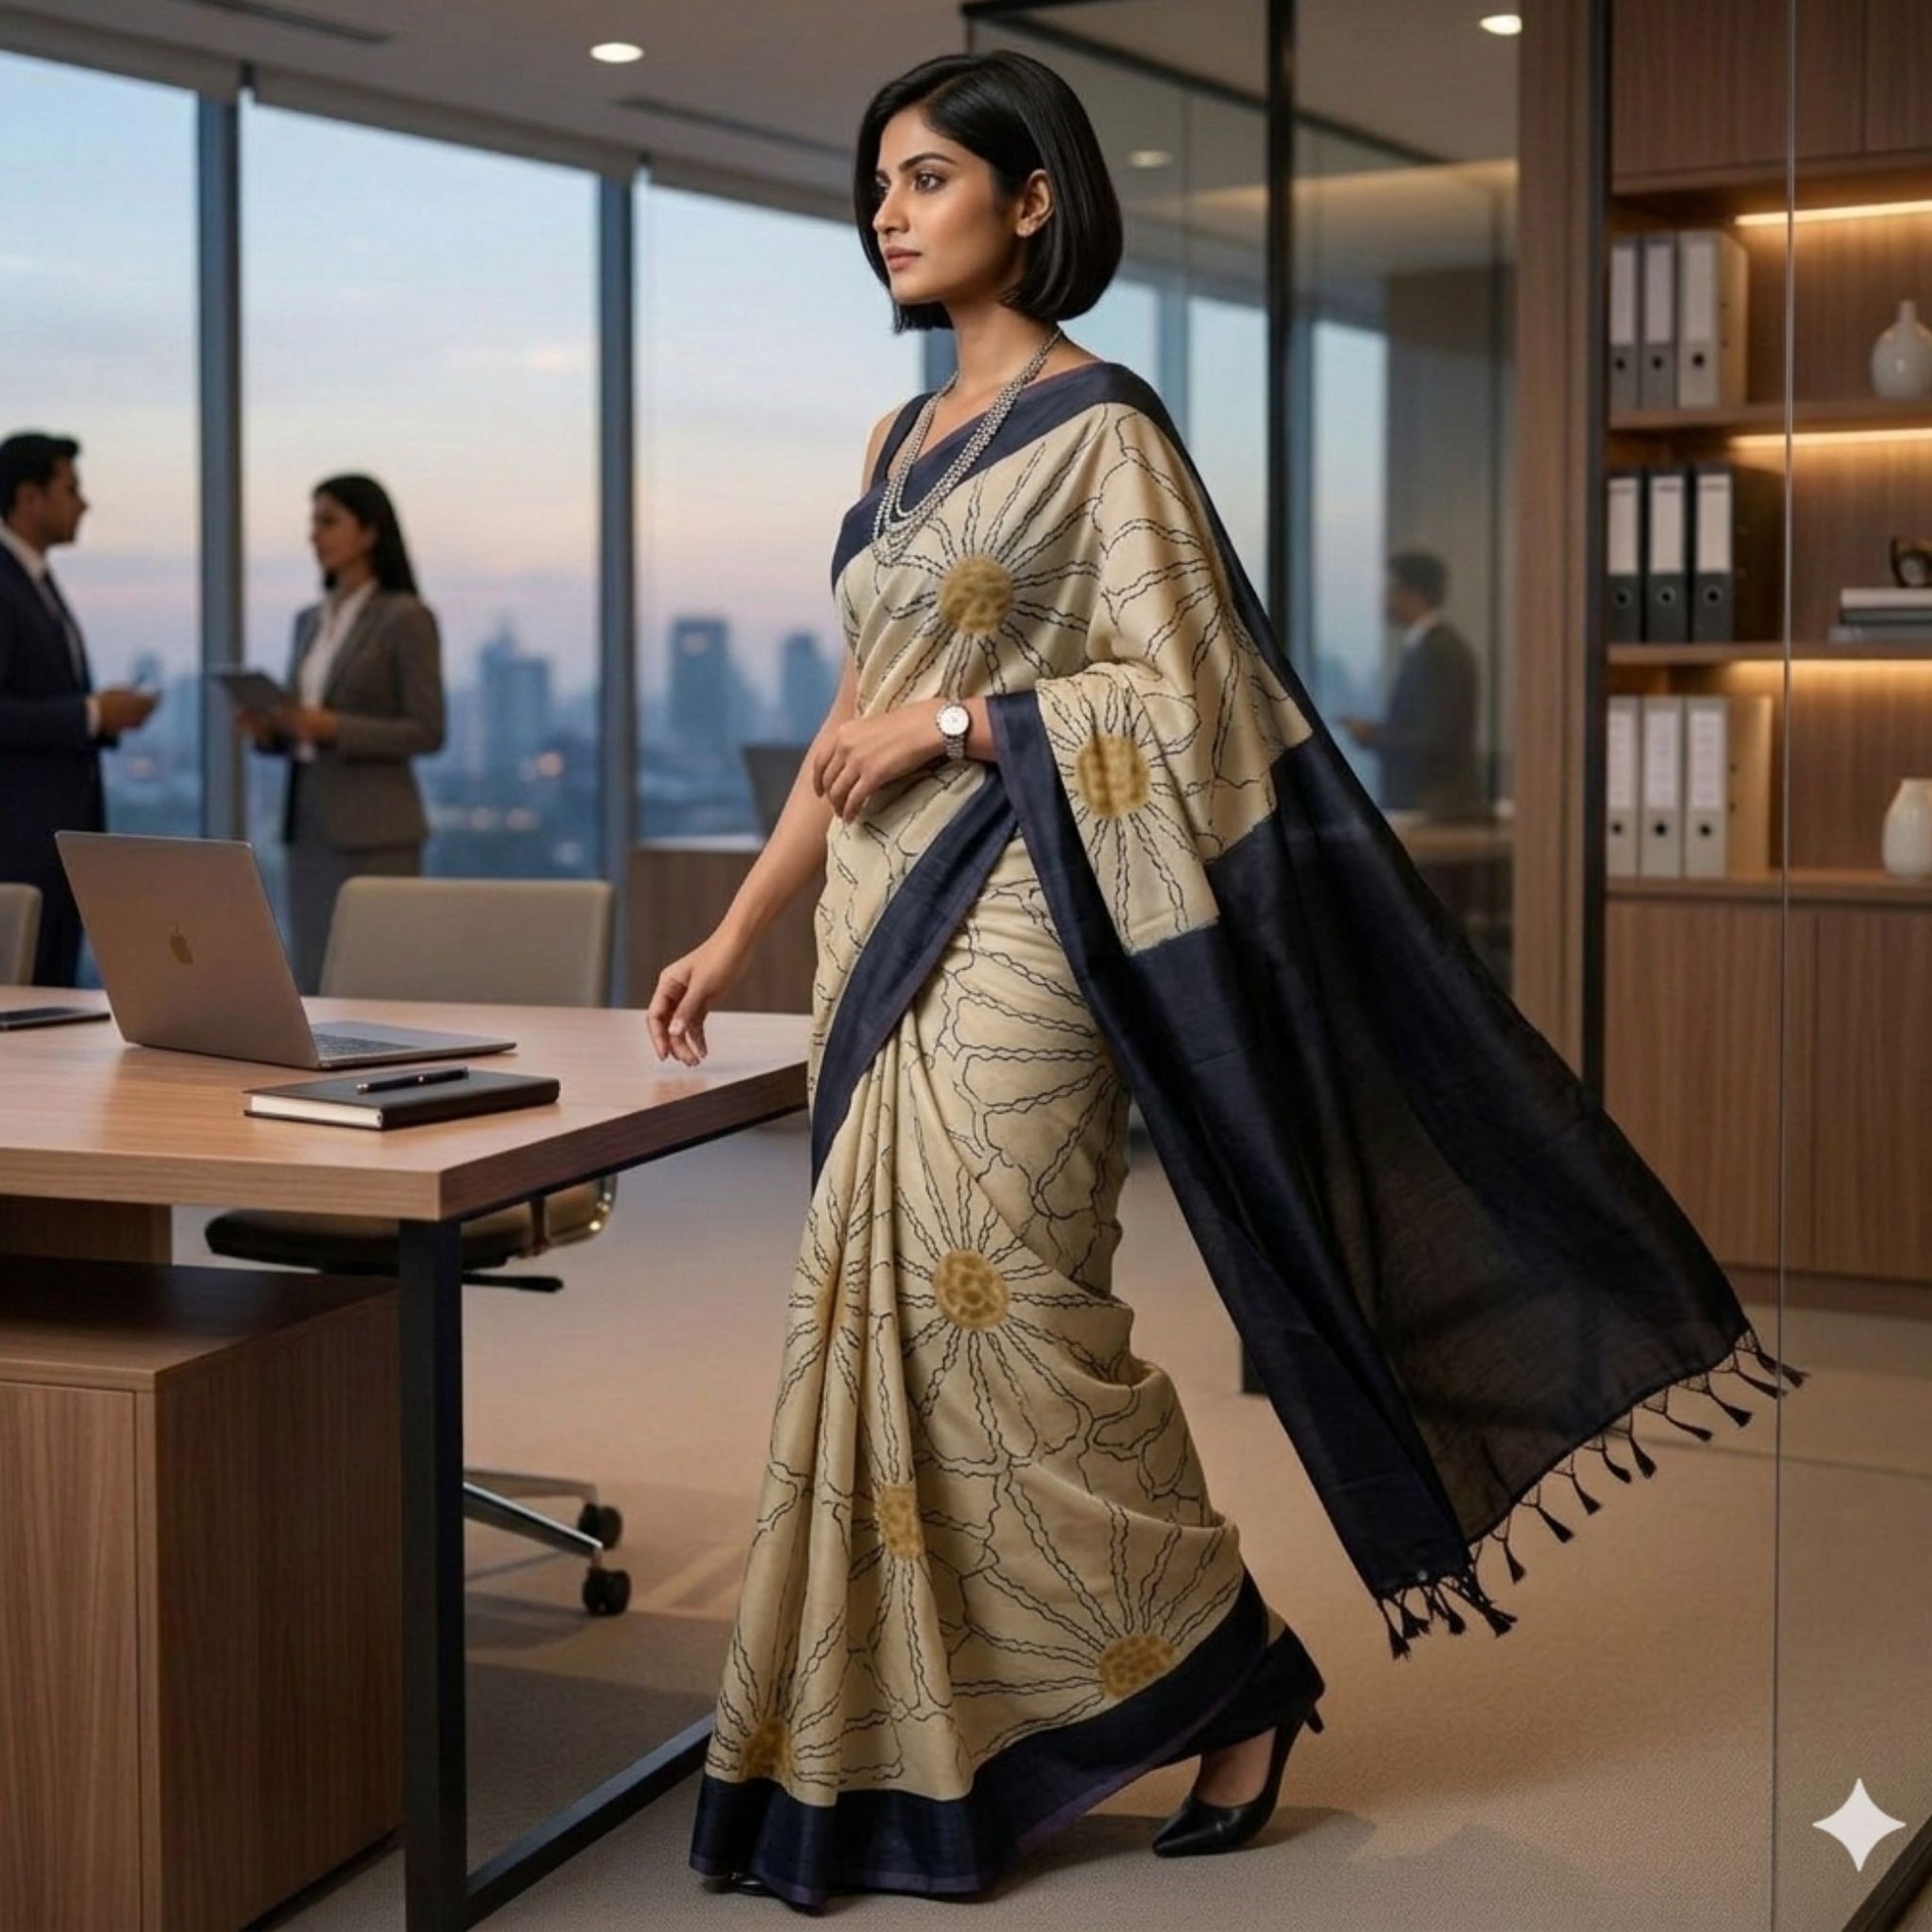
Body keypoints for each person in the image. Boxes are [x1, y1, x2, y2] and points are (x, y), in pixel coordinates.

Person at [648, 52, 1797, 1911]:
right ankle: (919, 1746)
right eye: (876, 180)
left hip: (1029, 912)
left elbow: (1187, 707)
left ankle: (1225, 1667)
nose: (888, 207)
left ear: (1031, 202)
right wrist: (735, 928)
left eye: (928, 176)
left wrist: (964, 717)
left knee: (1009, 1304)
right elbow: (836, 740)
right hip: (871, 924)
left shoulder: (1102, 427)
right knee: (875, 1328)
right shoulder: (889, 451)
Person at [243, 475, 444, 992]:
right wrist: (273, 730)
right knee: (314, 978)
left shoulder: (406, 617)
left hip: (377, 832)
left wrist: (332, 726)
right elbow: (303, 721)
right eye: (313, 522)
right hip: (308, 824)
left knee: (381, 982)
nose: (314, 535)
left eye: (328, 521)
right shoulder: (309, 620)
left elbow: (427, 729)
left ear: (370, 531)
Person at [0, 431, 161, 985]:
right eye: (71, 488)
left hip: (56, 842)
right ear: (29, 498)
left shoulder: (36, 580)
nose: (84, 502)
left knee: (50, 1001)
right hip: (17, 848)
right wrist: (92, 714)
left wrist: (101, 714)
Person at [1339, 550, 1483, 817]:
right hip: (1426, 805)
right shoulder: (1429, 649)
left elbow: (1435, 738)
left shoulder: (1438, 652)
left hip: (1432, 807)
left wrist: (1373, 736)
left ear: (1412, 594)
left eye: (1391, 590)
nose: (1385, 600)